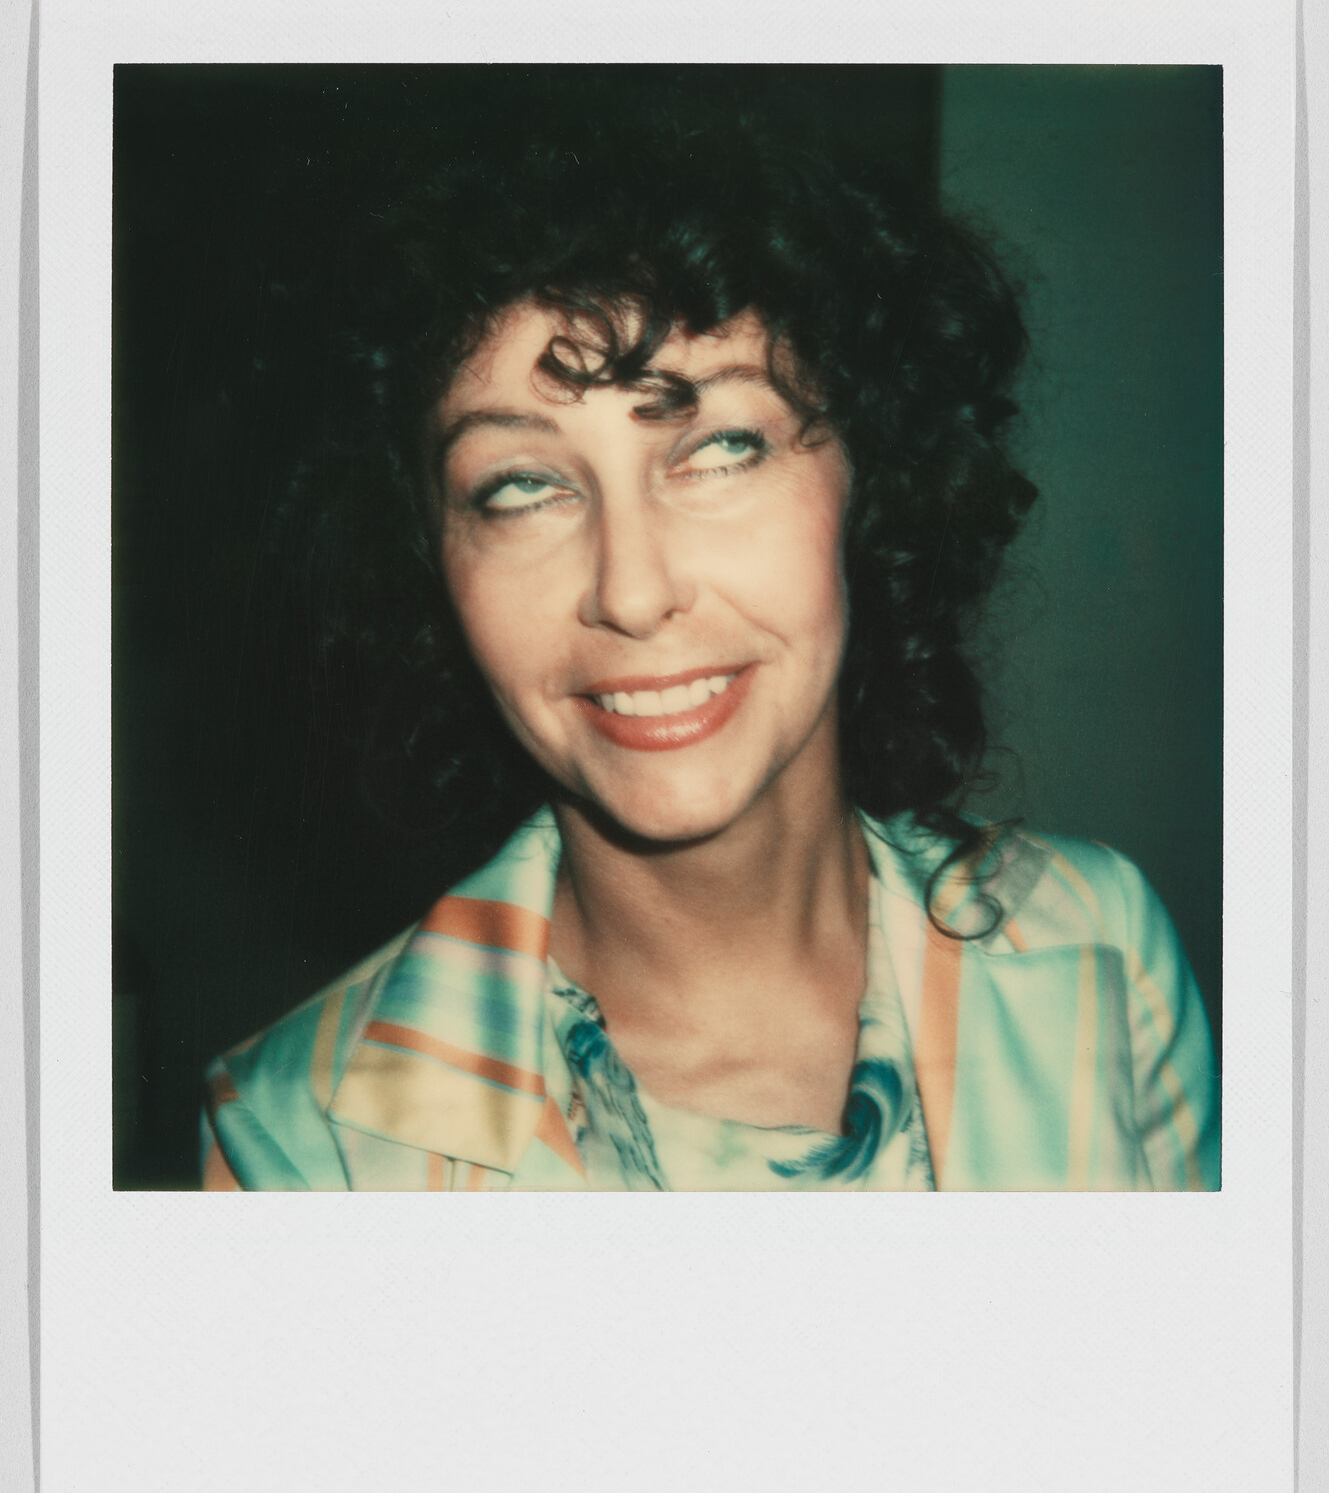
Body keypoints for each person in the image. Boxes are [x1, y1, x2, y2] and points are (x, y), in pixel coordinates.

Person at [201, 121, 1219, 1192]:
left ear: (870, 479)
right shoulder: (290, 1145)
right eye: (521, 486)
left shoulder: (1104, 947)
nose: (633, 593)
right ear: (431, 563)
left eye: (721, 447)